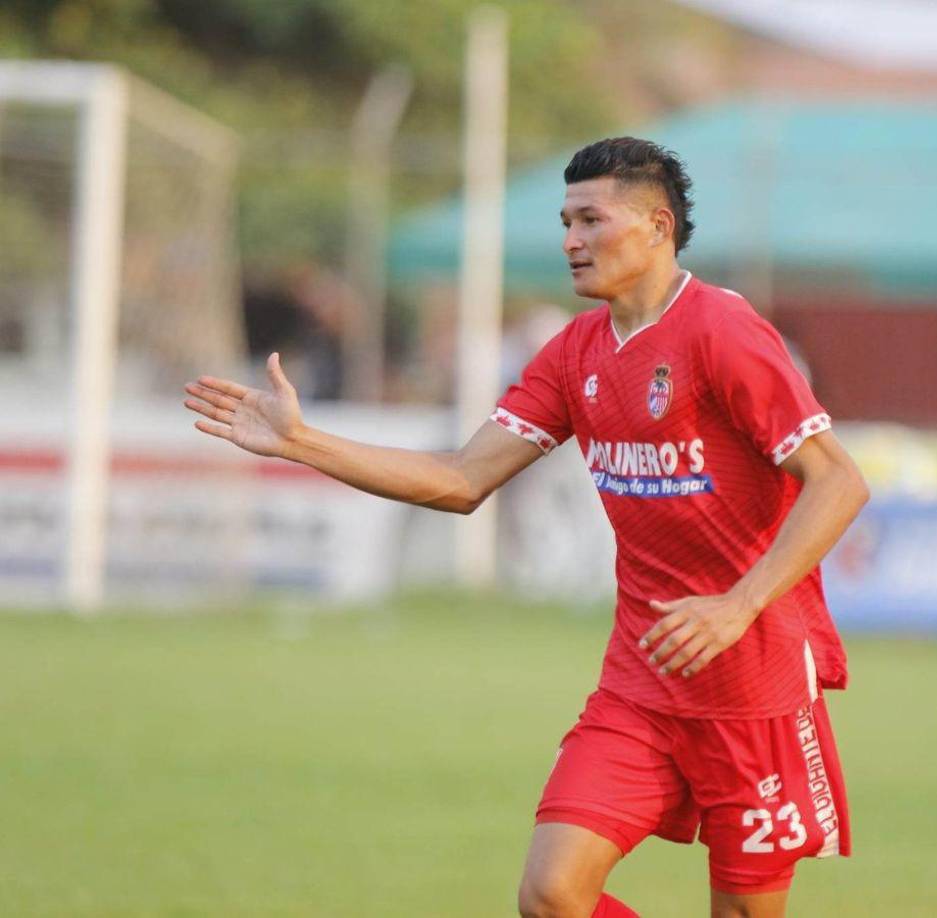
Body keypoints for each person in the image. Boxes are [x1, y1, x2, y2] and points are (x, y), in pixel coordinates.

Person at [184, 137, 869, 918]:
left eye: (590, 220)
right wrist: (303, 443)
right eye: (565, 222)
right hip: (641, 686)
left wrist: (737, 604)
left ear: (657, 225)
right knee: (552, 893)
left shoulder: (723, 332)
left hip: (756, 684)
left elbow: (838, 480)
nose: (572, 241)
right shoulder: (574, 352)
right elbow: (461, 479)